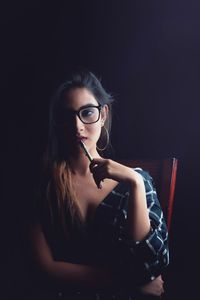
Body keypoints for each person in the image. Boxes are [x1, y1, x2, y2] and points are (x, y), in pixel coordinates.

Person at [28, 69, 168, 299]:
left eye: (87, 112)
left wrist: (135, 183)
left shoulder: (136, 181)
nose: (77, 126)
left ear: (103, 115)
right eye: (66, 116)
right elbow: (43, 268)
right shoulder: (44, 184)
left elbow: (150, 264)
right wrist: (125, 284)